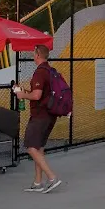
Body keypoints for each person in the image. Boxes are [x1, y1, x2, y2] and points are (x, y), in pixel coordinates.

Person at [14, 45, 62, 194]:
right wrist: (24, 92)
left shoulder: (40, 72)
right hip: (49, 114)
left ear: (37, 54)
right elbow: (38, 93)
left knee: (30, 146)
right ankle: (37, 182)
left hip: (40, 115)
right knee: (39, 147)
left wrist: (22, 95)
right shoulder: (50, 70)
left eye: (34, 53)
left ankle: (52, 177)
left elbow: (36, 96)